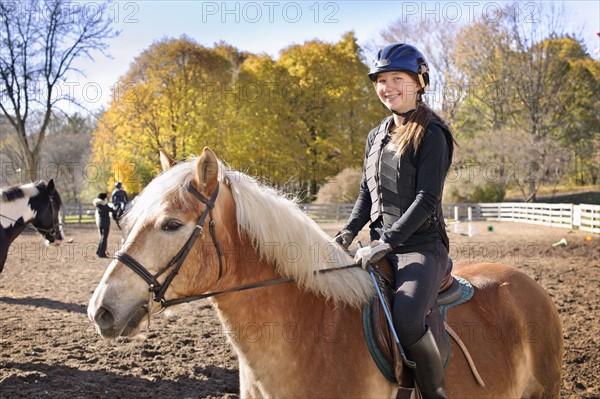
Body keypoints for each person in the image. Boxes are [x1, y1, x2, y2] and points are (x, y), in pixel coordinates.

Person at [335, 43, 455, 398]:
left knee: (405, 317)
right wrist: (347, 232)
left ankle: (434, 393)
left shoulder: (433, 133)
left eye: (397, 78)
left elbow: (426, 200)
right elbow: (365, 193)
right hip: (376, 245)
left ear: (419, 82)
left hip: (421, 248)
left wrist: (387, 242)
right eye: (381, 80)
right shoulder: (376, 135)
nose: (388, 87)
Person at [93, 192, 114, 258]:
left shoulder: (98, 205)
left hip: (100, 223)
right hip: (105, 224)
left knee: (102, 238)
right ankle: (102, 254)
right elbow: (111, 210)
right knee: (104, 238)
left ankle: (98, 251)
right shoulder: (104, 205)